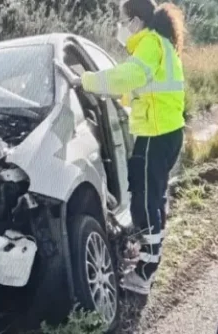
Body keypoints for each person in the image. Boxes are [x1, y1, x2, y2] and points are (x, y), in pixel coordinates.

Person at [59, 0, 186, 295]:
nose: (120, 26)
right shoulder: (161, 44)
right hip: (167, 132)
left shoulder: (150, 44)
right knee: (154, 201)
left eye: (122, 19)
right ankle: (149, 264)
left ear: (136, 21)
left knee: (145, 203)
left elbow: (125, 77)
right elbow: (136, 88)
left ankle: (143, 273)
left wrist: (83, 80)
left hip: (156, 135)